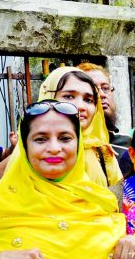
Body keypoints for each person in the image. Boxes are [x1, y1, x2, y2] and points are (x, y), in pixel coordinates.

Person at [0, 100, 135, 259]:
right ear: (25, 146)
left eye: (65, 138)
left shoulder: (102, 201)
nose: (55, 148)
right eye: (41, 139)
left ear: (78, 143)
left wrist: (133, 244)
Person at [32, 66, 124, 196]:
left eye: (88, 100)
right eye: (69, 96)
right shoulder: (31, 152)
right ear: (49, 98)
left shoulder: (103, 152)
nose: (80, 106)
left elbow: (118, 202)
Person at [78, 62, 131, 154]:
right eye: (93, 89)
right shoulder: (69, 148)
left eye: (105, 88)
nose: (101, 94)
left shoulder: (128, 146)